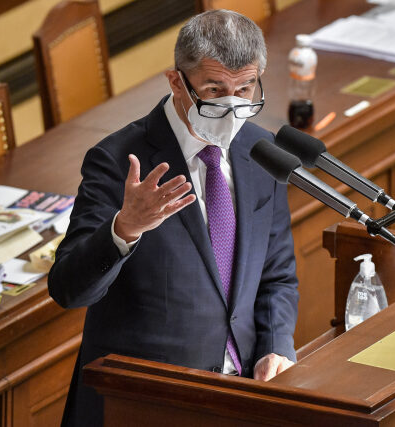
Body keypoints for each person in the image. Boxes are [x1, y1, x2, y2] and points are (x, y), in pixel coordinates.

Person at [47, 10, 299, 427]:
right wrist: (124, 229)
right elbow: (68, 290)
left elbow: (277, 276)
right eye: (214, 89)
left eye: (244, 89)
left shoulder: (260, 151)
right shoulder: (117, 161)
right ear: (176, 81)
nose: (231, 106)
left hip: (243, 394)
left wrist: (277, 345)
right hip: (145, 402)